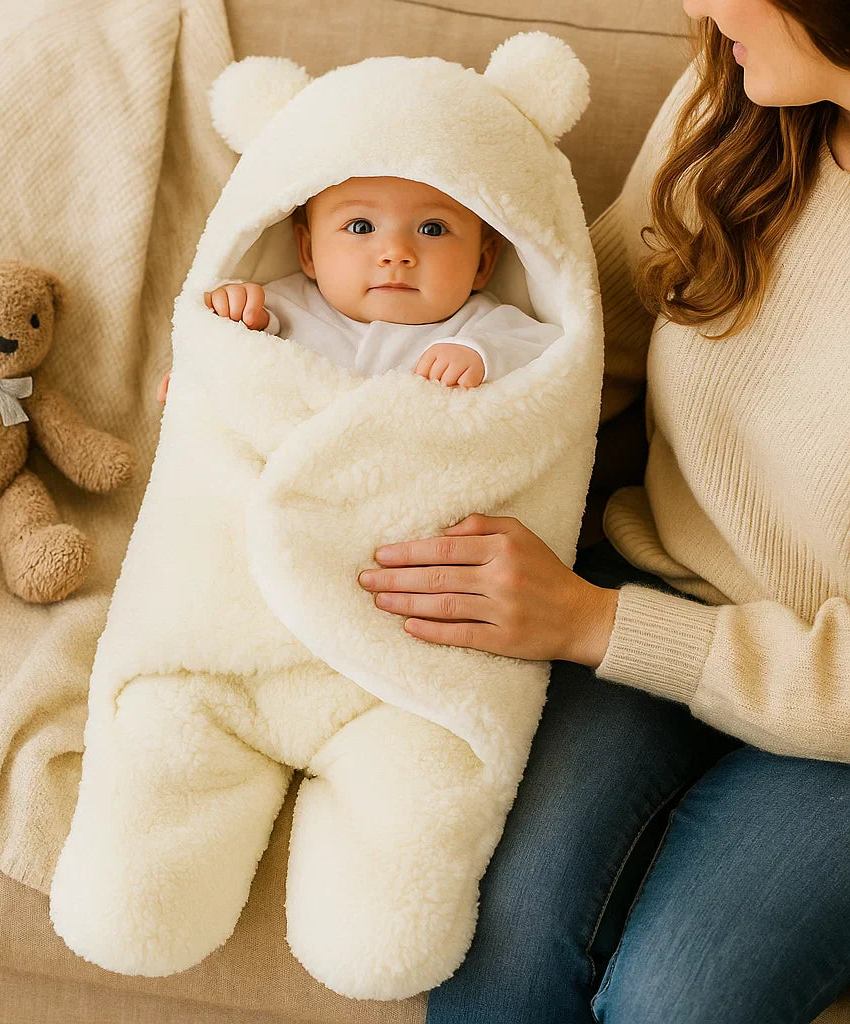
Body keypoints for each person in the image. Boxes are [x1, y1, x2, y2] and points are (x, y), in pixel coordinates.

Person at [356, 1, 850, 1021]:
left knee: (681, 998)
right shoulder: (744, 93)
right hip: (653, 585)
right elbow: (580, 343)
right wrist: (294, 379)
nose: (695, 5)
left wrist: (592, 622)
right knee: (493, 930)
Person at [155, 175, 562, 401]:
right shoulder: (278, 309)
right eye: (361, 227)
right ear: (308, 251)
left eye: (432, 229)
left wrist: (481, 353)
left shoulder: (484, 325)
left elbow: (551, 356)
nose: (396, 253)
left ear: (482, 263)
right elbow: (234, 359)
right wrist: (225, 327)